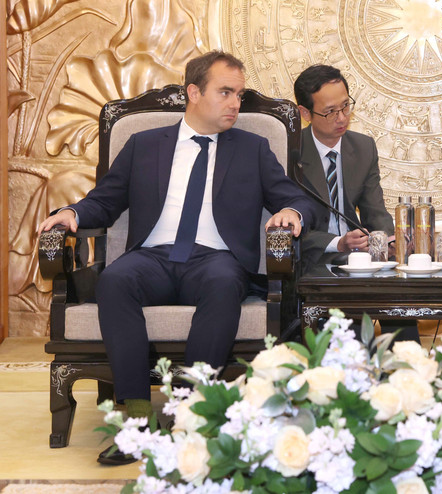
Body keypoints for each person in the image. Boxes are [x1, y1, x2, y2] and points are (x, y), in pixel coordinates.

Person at [38, 51, 316, 464]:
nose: (235, 103)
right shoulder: (144, 144)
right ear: (193, 92)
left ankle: (190, 416)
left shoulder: (253, 149)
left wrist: (292, 212)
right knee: (115, 280)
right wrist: (72, 213)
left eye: (239, 94)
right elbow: (107, 200)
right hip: (153, 257)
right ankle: (134, 421)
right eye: (225, 92)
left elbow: (296, 198)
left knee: (224, 284)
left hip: (216, 261)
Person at [294, 64, 418, 342]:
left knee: (399, 289)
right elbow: (284, 229)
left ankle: (408, 371)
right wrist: (338, 242)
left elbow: (375, 210)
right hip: (313, 258)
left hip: (356, 256)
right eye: (330, 111)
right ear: (305, 113)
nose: (342, 118)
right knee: (353, 334)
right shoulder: (289, 153)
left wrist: (389, 240)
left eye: (346, 106)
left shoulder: (363, 147)